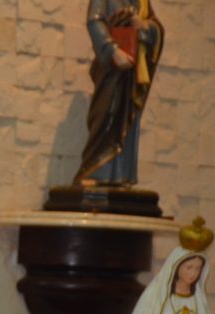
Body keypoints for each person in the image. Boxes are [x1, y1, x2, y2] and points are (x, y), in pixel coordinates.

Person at [73, 0, 164, 186]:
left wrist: (144, 26)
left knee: (127, 121)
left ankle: (121, 176)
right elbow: (94, 21)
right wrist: (112, 51)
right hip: (111, 69)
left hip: (132, 70)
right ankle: (95, 171)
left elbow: (157, 28)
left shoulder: (142, 2)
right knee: (107, 113)